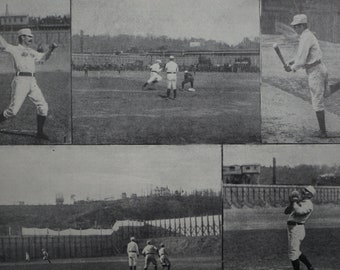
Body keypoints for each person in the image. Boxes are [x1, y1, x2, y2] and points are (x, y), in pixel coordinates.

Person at [0, 28, 58, 140]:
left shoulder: (32, 52)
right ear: (22, 37)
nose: (31, 38)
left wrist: (51, 49)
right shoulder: (15, 49)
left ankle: (40, 132)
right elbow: (3, 45)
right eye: (29, 36)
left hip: (32, 81)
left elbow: (43, 58)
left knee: (43, 106)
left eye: (31, 36)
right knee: (12, 112)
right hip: (20, 80)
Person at [284, 14, 330, 138]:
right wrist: (290, 61)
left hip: (315, 71)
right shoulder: (306, 36)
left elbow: (301, 60)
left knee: (317, 101)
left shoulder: (306, 37)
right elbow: (300, 55)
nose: (295, 29)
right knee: (324, 94)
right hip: (319, 68)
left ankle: (323, 132)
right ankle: (323, 130)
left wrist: (291, 68)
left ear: (303, 25)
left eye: (297, 26)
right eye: (294, 26)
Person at [284, 186, 316, 270]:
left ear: (310, 195)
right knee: (296, 251)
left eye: (307, 191)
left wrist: (294, 202)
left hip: (297, 229)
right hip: (292, 228)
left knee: (293, 253)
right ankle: (310, 267)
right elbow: (286, 212)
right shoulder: (300, 201)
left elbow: (299, 211)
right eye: (304, 189)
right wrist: (292, 203)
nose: (303, 191)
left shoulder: (309, 204)